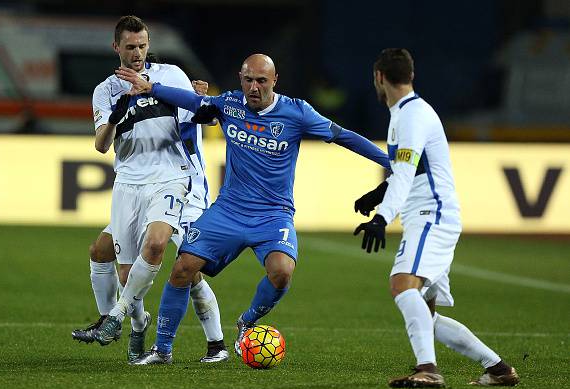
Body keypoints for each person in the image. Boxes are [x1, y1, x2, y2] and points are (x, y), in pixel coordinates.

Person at [104, 53, 391, 365]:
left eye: (262, 81)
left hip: (273, 214)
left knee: (282, 273)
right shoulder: (229, 104)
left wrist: (390, 163)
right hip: (229, 210)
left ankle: (247, 321)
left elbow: (343, 137)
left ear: (275, 81)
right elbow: (193, 102)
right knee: (183, 267)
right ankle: (162, 350)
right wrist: (152, 88)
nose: (254, 87)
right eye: (249, 80)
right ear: (241, 80)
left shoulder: (297, 113)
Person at [353, 48, 520, 388]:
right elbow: (408, 171)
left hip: (433, 214)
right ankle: (498, 369)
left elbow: (405, 174)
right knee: (426, 314)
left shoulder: (412, 116)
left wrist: (382, 217)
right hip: (428, 213)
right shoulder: (407, 112)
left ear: (379, 78)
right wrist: (378, 194)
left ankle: (427, 368)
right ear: (411, 76)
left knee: (402, 285)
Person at [81, 15, 228, 363]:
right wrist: (117, 115)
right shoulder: (105, 90)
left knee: (183, 263)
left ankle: (214, 342)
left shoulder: (169, 74)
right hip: (131, 183)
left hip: (176, 179)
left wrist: (199, 101)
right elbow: (102, 146)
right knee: (119, 265)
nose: (137, 53)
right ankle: (133, 322)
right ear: (116, 47)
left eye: (143, 46)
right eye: (130, 47)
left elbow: (200, 113)